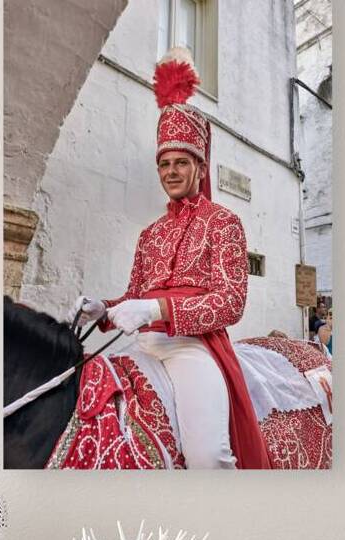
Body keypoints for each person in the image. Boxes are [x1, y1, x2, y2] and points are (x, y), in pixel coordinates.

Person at [69, 48, 270, 469]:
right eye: (164, 164)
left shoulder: (224, 222)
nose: (172, 171)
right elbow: (133, 295)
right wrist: (104, 309)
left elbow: (230, 303)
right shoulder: (150, 234)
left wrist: (157, 307)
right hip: (144, 345)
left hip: (192, 349)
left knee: (208, 456)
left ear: (200, 167)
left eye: (181, 162)